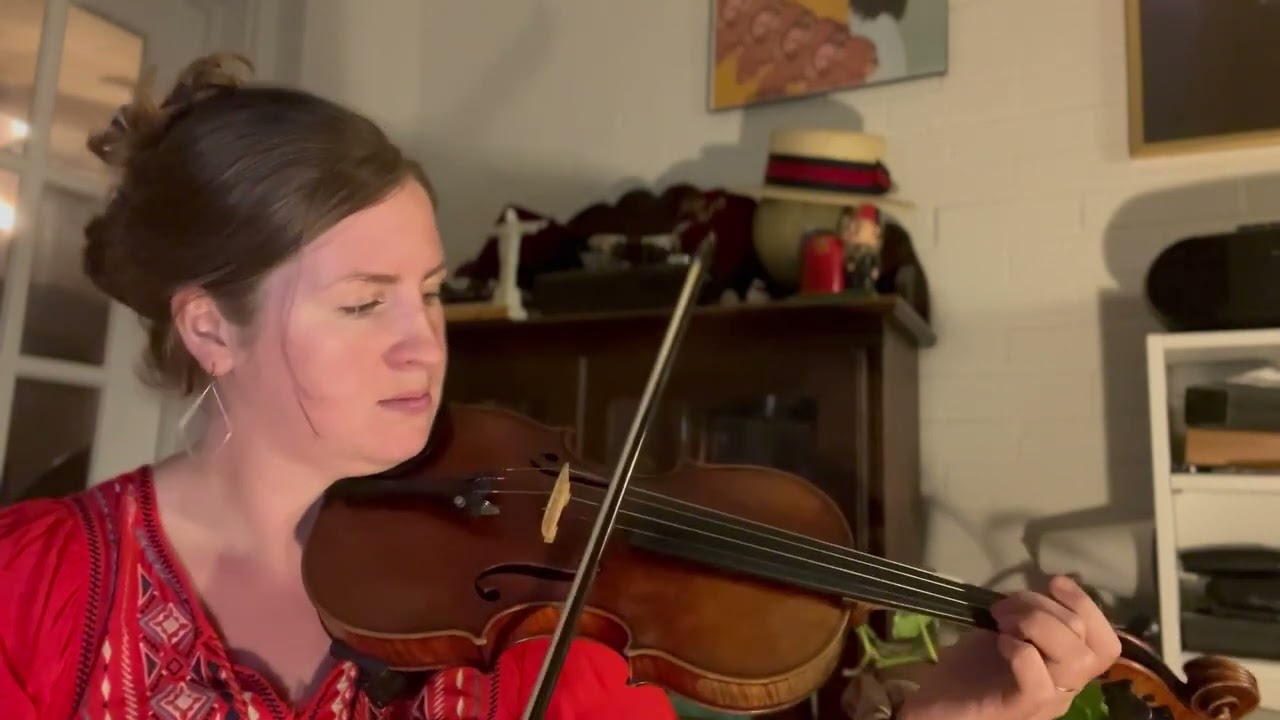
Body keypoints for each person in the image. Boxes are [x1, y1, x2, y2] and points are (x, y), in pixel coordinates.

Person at [0, 53, 1121, 720]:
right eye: (361, 302)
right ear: (210, 329)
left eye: (430, 293)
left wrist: (943, 711)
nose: (422, 347)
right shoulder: (30, 591)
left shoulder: (522, 614)